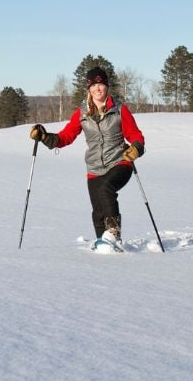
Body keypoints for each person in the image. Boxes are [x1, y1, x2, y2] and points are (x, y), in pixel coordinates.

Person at [29, 67, 145, 248]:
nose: (98, 88)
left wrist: (136, 148)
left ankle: (113, 234)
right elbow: (65, 137)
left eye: (101, 84)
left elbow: (136, 135)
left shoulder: (120, 110)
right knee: (98, 211)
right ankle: (104, 245)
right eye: (94, 85)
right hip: (94, 168)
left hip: (120, 162)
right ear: (89, 89)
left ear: (107, 87)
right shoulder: (81, 114)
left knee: (107, 189)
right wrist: (44, 137)